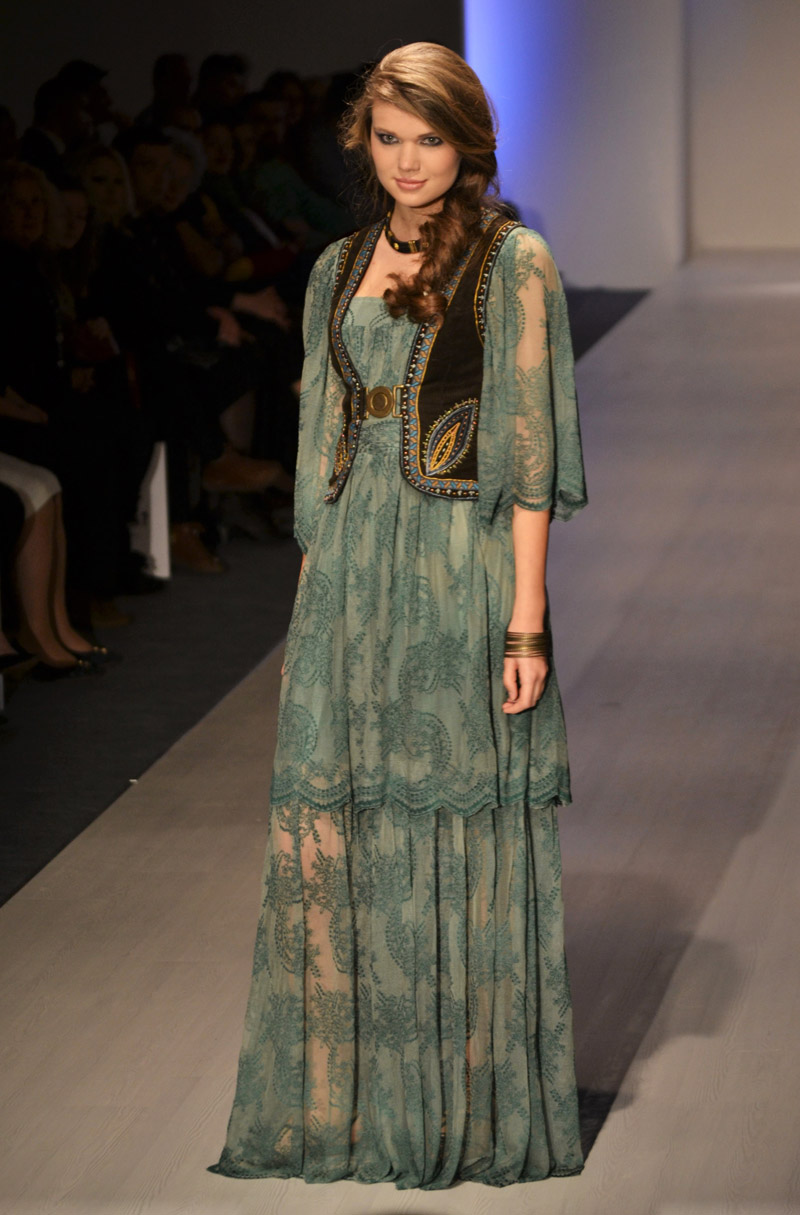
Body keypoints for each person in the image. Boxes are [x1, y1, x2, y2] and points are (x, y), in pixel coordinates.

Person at [210, 43, 587, 1189]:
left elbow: (528, 453)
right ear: (359, 142)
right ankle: (366, 1101)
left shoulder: (512, 263)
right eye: (388, 138)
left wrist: (526, 621)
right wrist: (309, 603)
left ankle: (462, 1106)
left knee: (454, 816)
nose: (408, 161)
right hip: (350, 575)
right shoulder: (335, 267)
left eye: (430, 139)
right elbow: (319, 444)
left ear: (468, 145)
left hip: (456, 565)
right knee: (354, 822)